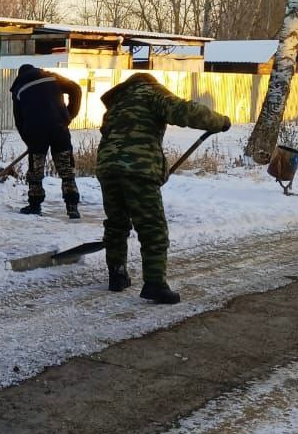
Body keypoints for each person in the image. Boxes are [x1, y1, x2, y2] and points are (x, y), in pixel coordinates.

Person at [96, 72, 231, 305]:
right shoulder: (152, 93)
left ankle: (117, 275)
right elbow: (185, 111)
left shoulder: (117, 104)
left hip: (108, 168)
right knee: (152, 228)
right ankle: (155, 284)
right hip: (138, 169)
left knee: (117, 223)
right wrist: (221, 121)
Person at [9, 64, 83, 218]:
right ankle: (72, 207)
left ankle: (35, 206)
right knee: (66, 170)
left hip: (35, 132)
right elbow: (76, 89)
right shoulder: (51, 77)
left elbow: (19, 120)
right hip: (59, 129)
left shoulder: (18, 88)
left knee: (36, 171)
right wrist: (68, 116)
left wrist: (28, 140)